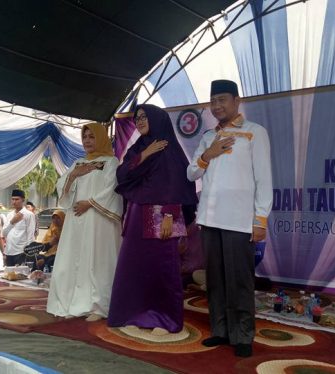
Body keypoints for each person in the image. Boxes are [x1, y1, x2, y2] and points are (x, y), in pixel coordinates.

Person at [186, 80, 273, 357]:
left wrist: (260, 219)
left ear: (237, 101)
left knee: (240, 281)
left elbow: (264, 178)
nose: (217, 106)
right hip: (210, 220)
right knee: (215, 280)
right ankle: (221, 331)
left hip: (238, 221)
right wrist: (207, 155)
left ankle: (243, 334)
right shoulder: (207, 137)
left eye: (222, 100)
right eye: (213, 101)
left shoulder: (254, 133)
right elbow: (191, 174)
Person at [107, 104, 198, 336]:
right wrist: (145, 154)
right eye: (136, 118)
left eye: (144, 117)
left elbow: (177, 182)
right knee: (134, 266)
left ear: (157, 119)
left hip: (162, 214)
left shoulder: (170, 148)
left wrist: (169, 214)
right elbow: (123, 175)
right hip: (137, 214)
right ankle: (134, 313)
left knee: (162, 268)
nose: (139, 121)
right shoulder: (138, 147)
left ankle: (165, 318)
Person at [47, 123, 122, 321]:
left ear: (101, 138)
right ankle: (73, 302)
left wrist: (89, 203)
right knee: (74, 259)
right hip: (76, 220)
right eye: (85, 136)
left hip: (99, 220)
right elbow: (62, 186)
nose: (87, 140)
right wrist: (73, 175)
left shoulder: (111, 162)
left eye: (92, 136)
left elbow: (112, 189)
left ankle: (98, 306)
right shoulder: (78, 163)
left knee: (97, 260)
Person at [2, 189, 36, 266]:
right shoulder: (9, 215)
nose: (14, 202)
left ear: (23, 200)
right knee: (9, 276)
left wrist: (28, 253)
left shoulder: (28, 214)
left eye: (17, 199)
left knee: (20, 276)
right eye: (13, 199)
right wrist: (12, 222)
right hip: (9, 252)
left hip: (21, 252)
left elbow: (30, 235)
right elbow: (4, 234)